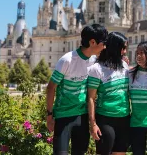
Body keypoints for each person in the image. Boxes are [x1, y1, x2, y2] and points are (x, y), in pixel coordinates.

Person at [46, 24, 108, 155]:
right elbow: (51, 87)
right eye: (103, 43)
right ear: (92, 42)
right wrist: (49, 115)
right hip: (63, 115)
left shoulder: (94, 61)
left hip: (82, 116)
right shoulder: (67, 60)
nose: (105, 47)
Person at [87, 32, 130, 155]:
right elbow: (91, 98)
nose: (125, 51)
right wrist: (93, 124)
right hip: (105, 119)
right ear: (115, 48)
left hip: (124, 118)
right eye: (123, 48)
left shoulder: (124, 65)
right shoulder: (97, 69)